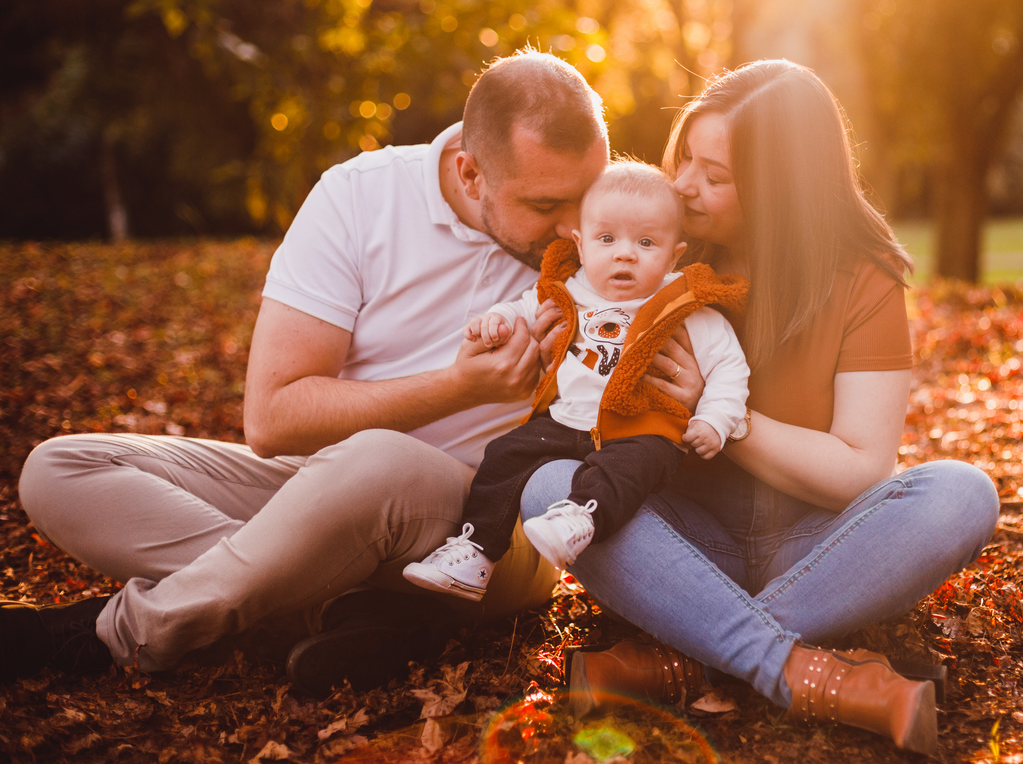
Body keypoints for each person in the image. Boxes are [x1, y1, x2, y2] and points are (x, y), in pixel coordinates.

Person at [6, 50, 610, 695]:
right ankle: (349, 610)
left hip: (487, 530)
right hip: (322, 490)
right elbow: (273, 419)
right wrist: (457, 389)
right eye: (548, 204)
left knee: (379, 460)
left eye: (588, 196)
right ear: (470, 172)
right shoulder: (361, 196)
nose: (579, 231)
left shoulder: (616, 241)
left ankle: (117, 632)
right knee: (58, 470)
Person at [521, 60, 1000, 755]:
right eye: (685, 157)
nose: (683, 184)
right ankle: (796, 669)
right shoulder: (653, 256)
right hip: (680, 543)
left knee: (962, 492)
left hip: (819, 547)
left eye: (715, 176)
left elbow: (862, 470)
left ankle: (684, 657)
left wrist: (723, 418)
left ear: (784, 191)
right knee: (546, 486)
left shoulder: (863, 281)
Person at [403, 161, 750, 601]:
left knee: (631, 468)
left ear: (674, 255)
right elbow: (522, 309)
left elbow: (729, 367)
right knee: (505, 455)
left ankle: (581, 517)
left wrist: (716, 419)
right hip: (567, 422)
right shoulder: (568, 288)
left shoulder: (684, 305)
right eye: (607, 239)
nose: (625, 253)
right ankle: (475, 552)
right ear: (581, 247)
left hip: (641, 429)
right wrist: (496, 321)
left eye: (646, 242)